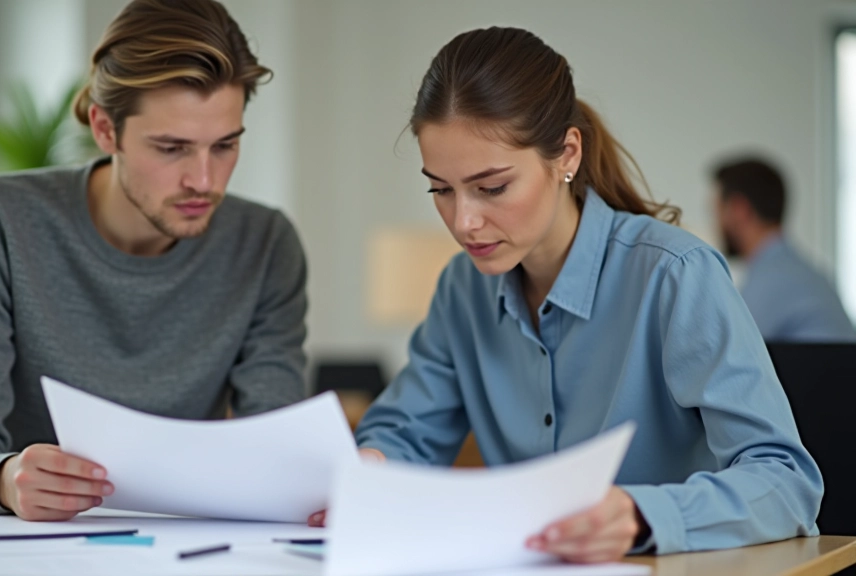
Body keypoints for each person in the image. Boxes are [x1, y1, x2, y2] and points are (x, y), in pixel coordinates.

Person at [311, 27, 823, 562]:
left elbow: (788, 483)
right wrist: (372, 465)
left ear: (567, 155)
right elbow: (404, 432)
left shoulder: (676, 276)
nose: (463, 222)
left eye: (492, 188)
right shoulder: (462, 291)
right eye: (441, 189)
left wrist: (639, 516)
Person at [0, 0, 308, 521]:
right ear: (106, 130)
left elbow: (276, 446)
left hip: (187, 546)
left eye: (225, 146)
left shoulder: (265, 243)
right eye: (171, 148)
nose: (204, 180)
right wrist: (3, 479)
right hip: (33, 548)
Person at [713, 157, 856, 342]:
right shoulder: (793, 269)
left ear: (740, 209)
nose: (716, 223)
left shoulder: (773, 277)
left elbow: (728, 348)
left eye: (716, 211)